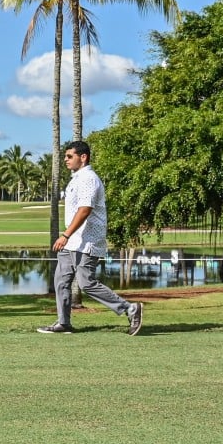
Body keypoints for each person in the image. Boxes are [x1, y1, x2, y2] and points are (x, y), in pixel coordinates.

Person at [38, 140, 143, 335]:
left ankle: (130, 308)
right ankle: (63, 323)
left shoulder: (89, 179)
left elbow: (85, 209)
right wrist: (69, 237)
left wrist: (65, 235)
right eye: (65, 156)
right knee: (61, 280)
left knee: (86, 282)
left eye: (70, 156)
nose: (66, 160)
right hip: (73, 241)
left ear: (83, 157)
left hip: (87, 240)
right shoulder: (76, 178)